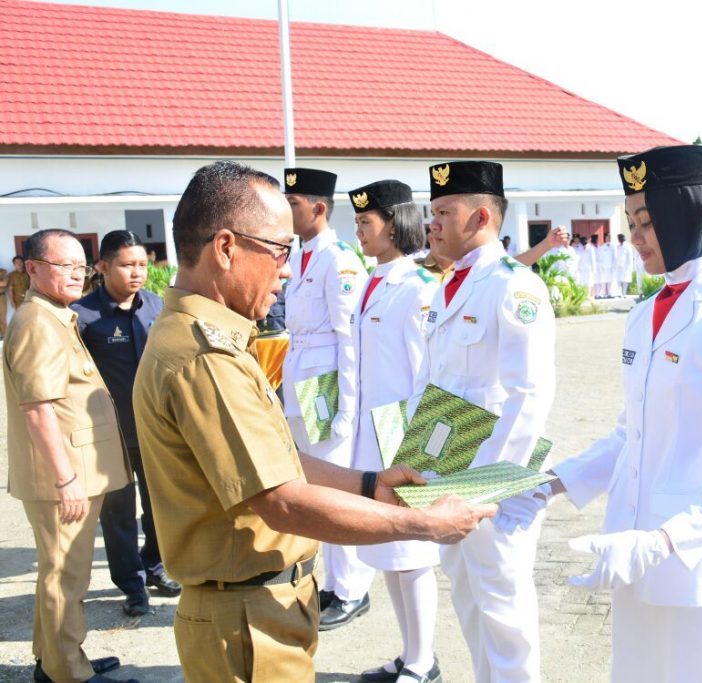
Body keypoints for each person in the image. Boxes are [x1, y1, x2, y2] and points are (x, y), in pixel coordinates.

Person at [132, 160, 494, 683]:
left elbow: (269, 458)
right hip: (247, 624)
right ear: (226, 247)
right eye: (279, 250)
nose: (286, 267)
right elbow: (280, 500)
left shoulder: (205, 338)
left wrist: (369, 484)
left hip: (252, 611)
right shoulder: (204, 358)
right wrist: (425, 524)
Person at [499, 145, 702, 682]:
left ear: (689, 214)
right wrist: (548, 485)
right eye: (631, 220)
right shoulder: (643, 314)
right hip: (635, 554)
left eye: (648, 221)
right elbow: (631, 435)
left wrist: (664, 542)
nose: (634, 236)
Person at [410, 160, 556, 682]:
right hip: (445, 476)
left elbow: (530, 394)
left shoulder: (513, 286)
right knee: (469, 601)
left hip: (492, 483)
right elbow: (433, 386)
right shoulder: (448, 285)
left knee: (505, 612)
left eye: (444, 212)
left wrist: (488, 486)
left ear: (479, 219)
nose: (433, 224)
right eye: (433, 213)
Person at [5, 229, 136, 683]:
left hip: (74, 471)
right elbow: (37, 409)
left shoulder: (54, 314)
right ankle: (69, 673)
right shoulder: (37, 322)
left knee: (59, 573)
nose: (77, 275)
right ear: (34, 269)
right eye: (65, 266)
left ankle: (55, 659)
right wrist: (65, 480)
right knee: (67, 579)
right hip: (63, 477)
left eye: (82, 266)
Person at [347, 180, 443, 683]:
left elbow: (425, 373)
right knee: (386, 549)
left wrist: (419, 447)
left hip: (402, 436)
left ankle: (425, 662)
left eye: (367, 222)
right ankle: (409, 654)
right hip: (371, 435)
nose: (359, 230)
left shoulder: (419, 288)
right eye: (359, 222)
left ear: (395, 223)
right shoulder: (373, 280)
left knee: (412, 553)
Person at [279, 167, 375, 629]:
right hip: (300, 381)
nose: (285, 210)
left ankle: (352, 588)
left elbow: (349, 340)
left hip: (327, 388)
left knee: (335, 488)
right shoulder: (300, 257)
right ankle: (334, 583)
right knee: (312, 488)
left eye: (293, 204)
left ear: (318, 208)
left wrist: (347, 409)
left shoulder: (340, 259)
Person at [72, 231, 179, 619]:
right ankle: (132, 585)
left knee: (160, 507)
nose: (136, 272)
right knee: (118, 514)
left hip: (156, 431)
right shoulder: (83, 317)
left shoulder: (157, 306)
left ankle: (155, 567)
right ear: (102, 267)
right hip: (109, 436)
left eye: (141, 264)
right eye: (126, 265)